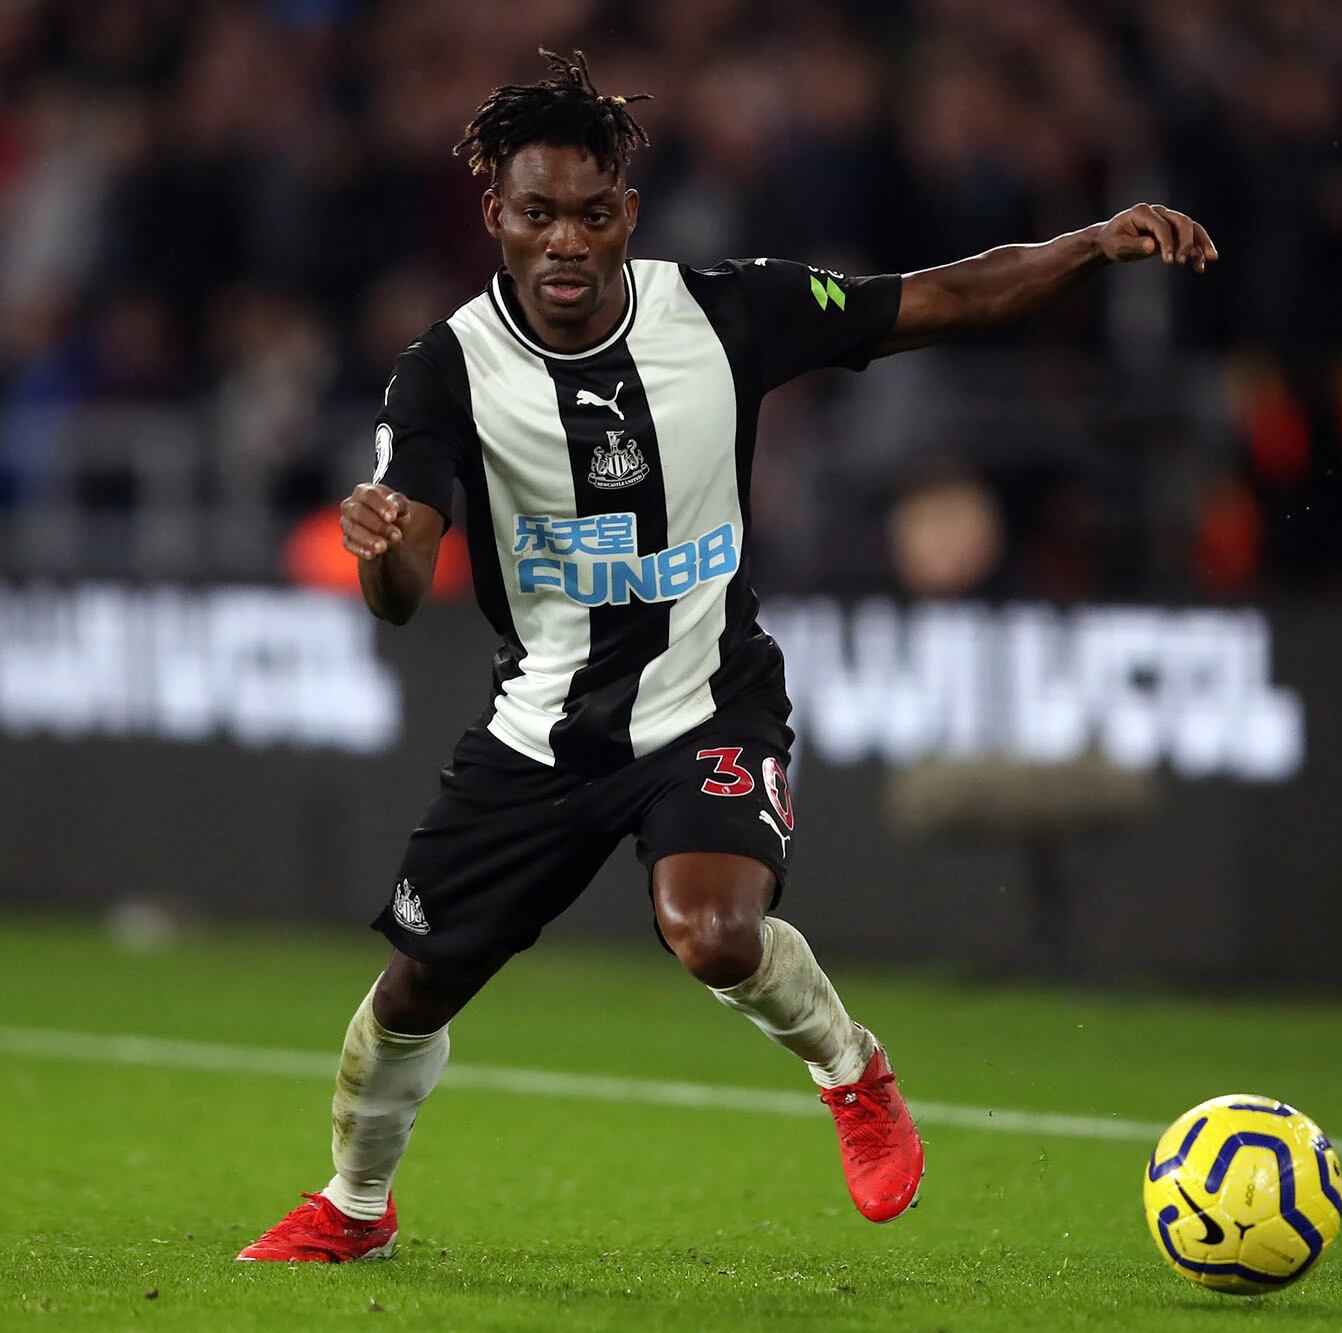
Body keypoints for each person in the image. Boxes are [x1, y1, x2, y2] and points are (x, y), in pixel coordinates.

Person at [237, 49, 1217, 1263]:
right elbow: (398, 591)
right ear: (495, 215)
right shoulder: (444, 372)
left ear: (626, 218)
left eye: (591, 216)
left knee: (709, 931)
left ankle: (853, 1071)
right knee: (411, 991)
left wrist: (1086, 244)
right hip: (538, 727)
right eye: (535, 215)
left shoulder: (721, 308)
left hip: (707, 702)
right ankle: (354, 1205)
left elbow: (936, 298)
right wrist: (381, 543)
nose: (563, 244)